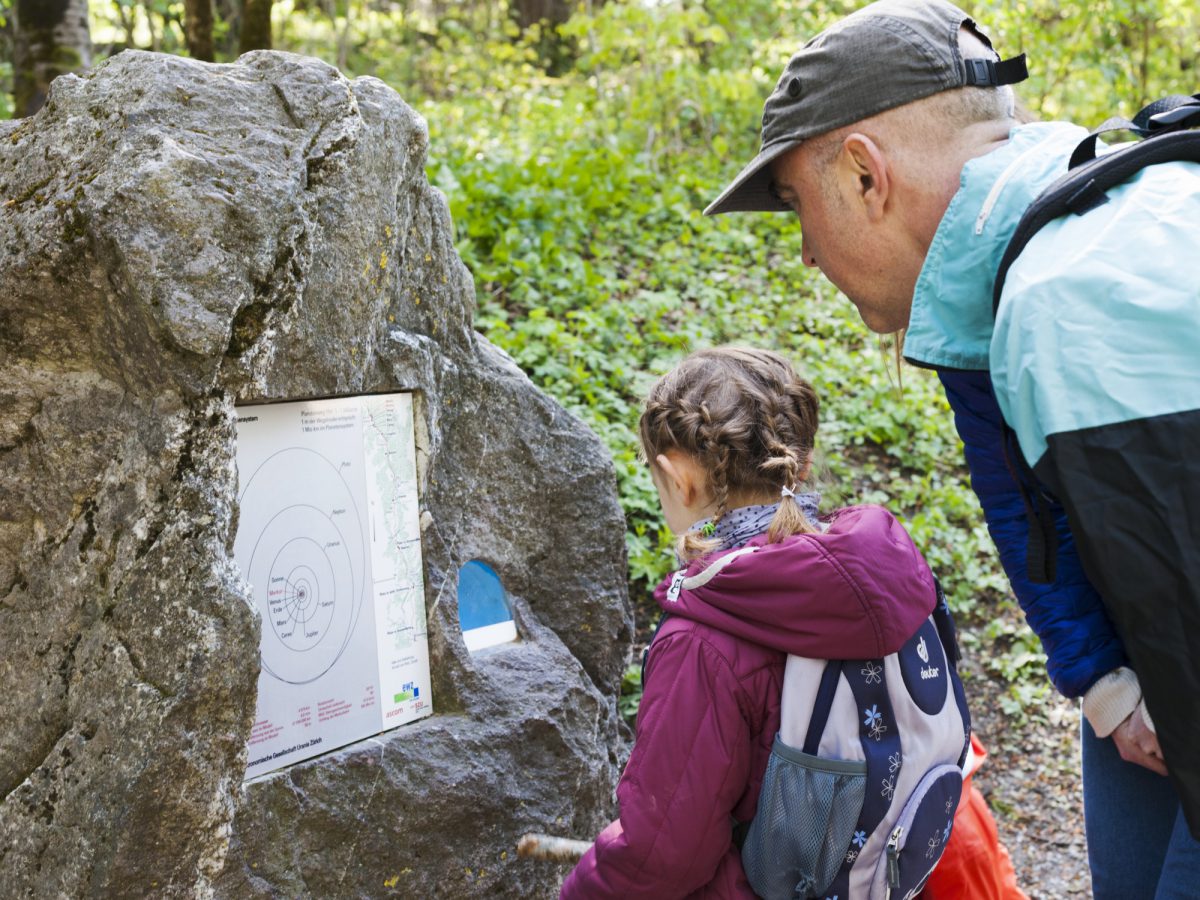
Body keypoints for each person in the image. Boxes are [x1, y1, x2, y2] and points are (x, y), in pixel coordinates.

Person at [702, 1, 1200, 896]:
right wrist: (1107, 686)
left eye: (797, 208)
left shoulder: (1076, 293)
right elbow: (1032, 519)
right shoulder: (995, 281)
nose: (809, 256)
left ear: (863, 174)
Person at [560, 346, 982, 898]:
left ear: (676, 478)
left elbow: (665, 852)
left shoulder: (705, 638)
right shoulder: (890, 570)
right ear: (801, 464)